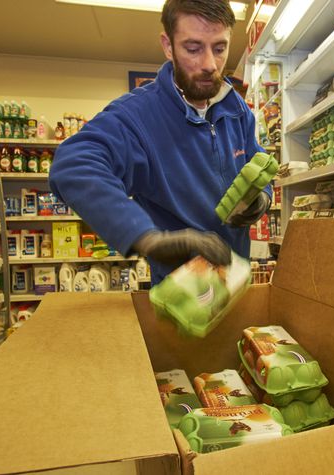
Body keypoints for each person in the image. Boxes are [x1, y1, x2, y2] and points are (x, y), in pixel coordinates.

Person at [49, 0, 271, 286]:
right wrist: (148, 238)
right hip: (183, 295)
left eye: (219, 48)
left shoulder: (236, 109)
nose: (209, 64)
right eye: (193, 48)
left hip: (237, 283)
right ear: (168, 46)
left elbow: (257, 160)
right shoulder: (137, 116)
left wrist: (261, 196)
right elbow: (73, 165)